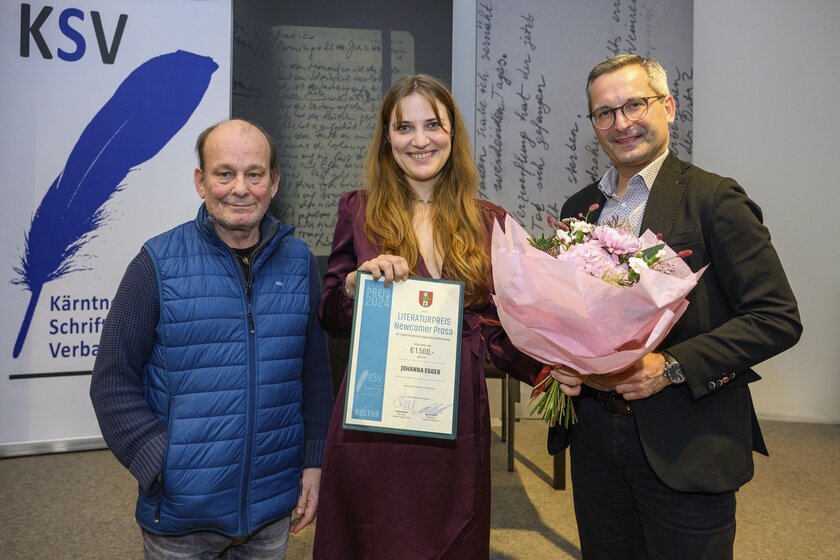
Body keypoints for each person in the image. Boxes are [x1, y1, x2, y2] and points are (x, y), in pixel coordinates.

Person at [548, 54, 802, 559]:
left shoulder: (714, 199)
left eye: (634, 105)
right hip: (596, 438)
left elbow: (776, 318)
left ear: (668, 106)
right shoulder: (579, 208)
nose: (621, 123)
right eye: (605, 113)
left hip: (685, 436)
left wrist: (670, 367)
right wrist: (562, 359)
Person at [312, 74, 540, 559]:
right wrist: (355, 285)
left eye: (432, 125)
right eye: (404, 127)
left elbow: (507, 329)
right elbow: (330, 314)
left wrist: (552, 370)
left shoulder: (490, 221)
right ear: (387, 138)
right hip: (374, 417)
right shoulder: (360, 211)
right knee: (373, 536)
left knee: (450, 537)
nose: (419, 140)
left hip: (455, 416)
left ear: (452, 134)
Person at [89, 119, 333, 559]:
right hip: (182, 520)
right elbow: (111, 379)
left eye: (254, 174)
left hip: (271, 514)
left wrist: (314, 460)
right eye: (225, 173)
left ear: (273, 182)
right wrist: (161, 462)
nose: (240, 188)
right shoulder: (155, 265)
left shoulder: (299, 263)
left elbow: (313, 374)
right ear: (201, 182)